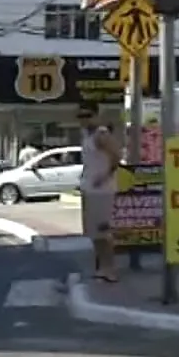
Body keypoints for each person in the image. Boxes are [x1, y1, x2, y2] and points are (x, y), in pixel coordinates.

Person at [77, 102, 120, 282]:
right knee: (93, 232)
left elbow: (116, 156)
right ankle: (101, 267)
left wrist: (104, 176)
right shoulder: (86, 135)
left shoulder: (101, 134)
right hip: (89, 188)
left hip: (102, 190)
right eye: (81, 116)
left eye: (88, 115)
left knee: (103, 231)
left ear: (96, 115)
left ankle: (109, 269)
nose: (84, 120)